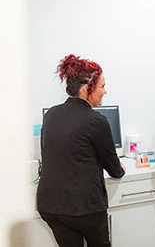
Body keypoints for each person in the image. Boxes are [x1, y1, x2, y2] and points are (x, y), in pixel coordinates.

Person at [36, 54, 126, 247]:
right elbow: (114, 170)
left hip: (50, 205)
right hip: (83, 207)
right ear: (87, 88)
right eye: (102, 86)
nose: (105, 91)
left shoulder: (51, 114)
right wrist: (120, 167)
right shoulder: (96, 120)